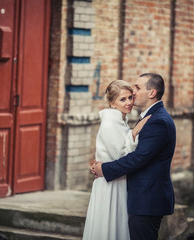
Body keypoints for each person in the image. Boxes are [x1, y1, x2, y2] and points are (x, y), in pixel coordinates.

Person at [92, 73, 176, 240]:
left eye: (137, 88)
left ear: (152, 93)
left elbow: (137, 159)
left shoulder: (158, 121)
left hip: (147, 200)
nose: (133, 92)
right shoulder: (148, 117)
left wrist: (104, 169)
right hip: (139, 198)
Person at [82, 80, 150, 240]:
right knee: (109, 228)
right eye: (122, 99)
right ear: (112, 104)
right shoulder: (110, 123)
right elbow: (122, 156)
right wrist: (134, 135)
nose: (129, 103)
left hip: (116, 181)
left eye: (130, 98)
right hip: (110, 185)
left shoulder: (120, 121)